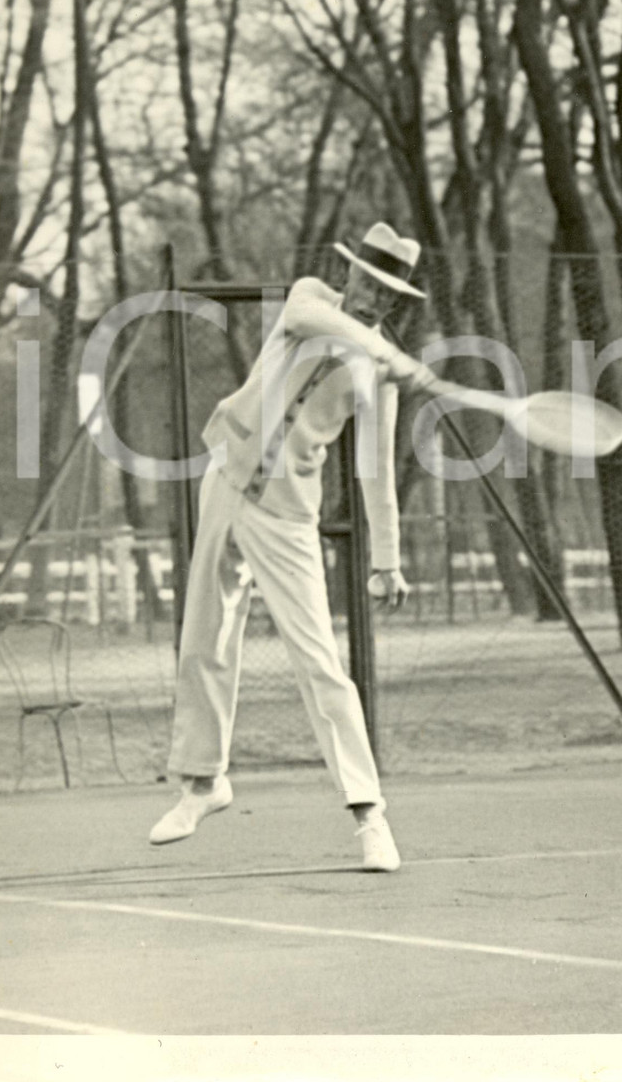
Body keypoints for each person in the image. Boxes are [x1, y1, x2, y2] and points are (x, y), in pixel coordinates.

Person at [149, 222, 430, 870]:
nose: (371, 297)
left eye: (386, 294)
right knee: (205, 636)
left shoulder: (380, 371)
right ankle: (202, 783)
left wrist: (386, 559)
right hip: (225, 480)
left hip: (286, 515)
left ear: (394, 302)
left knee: (320, 664)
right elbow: (323, 321)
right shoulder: (308, 300)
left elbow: (375, 468)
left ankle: (369, 815)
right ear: (350, 273)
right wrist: (390, 354)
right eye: (367, 281)